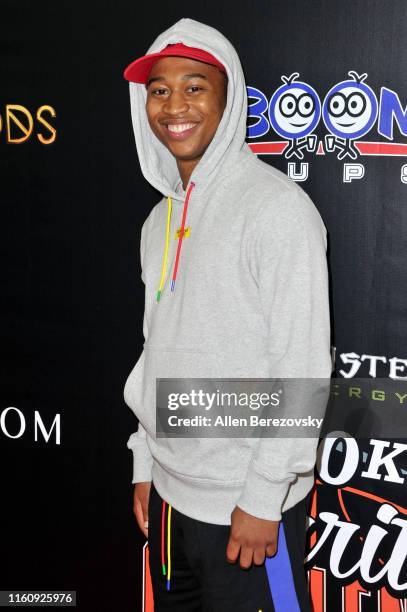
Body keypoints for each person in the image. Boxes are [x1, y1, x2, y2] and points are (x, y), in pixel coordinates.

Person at [122, 17, 331, 611]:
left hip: (244, 512)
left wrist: (264, 497)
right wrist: (145, 455)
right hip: (166, 501)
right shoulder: (157, 222)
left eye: (195, 86)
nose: (174, 106)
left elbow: (303, 365)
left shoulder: (278, 210)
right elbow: (154, 346)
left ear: (228, 97)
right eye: (159, 90)